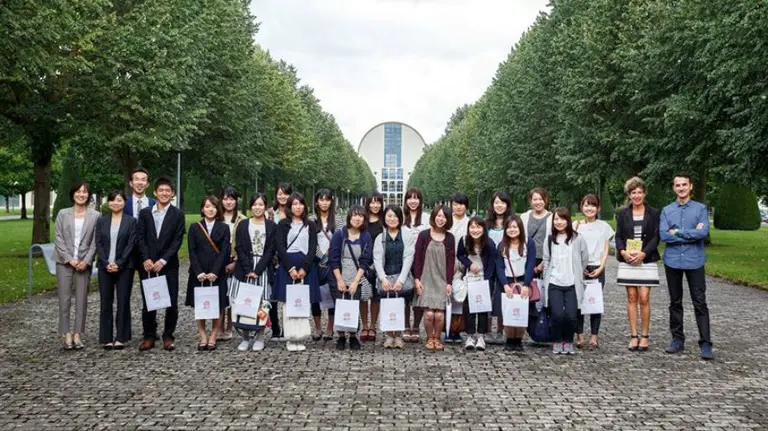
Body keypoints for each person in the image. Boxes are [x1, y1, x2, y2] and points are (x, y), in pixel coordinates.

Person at [660, 174, 713, 360]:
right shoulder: (667, 210)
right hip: (673, 261)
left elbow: (703, 233)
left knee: (700, 302)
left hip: (694, 261)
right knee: (675, 302)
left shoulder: (700, 209)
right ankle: (677, 339)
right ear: (673, 188)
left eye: (684, 185)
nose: (681, 188)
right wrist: (692, 233)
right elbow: (664, 235)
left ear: (690, 186)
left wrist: (678, 232)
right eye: (677, 185)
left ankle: (705, 343)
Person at [136, 176, 186, 352]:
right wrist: (146, 258)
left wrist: (163, 260)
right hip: (148, 264)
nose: (164, 193)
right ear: (155, 193)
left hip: (169, 264)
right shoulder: (145, 213)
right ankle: (149, 335)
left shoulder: (178, 214)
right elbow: (140, 237)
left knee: (171, 302)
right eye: (161, 190)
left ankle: (168, 335)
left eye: (168, 191)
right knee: (149, 301)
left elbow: (177, 240)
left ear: (172, 194)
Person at [615, 177, 660, 352]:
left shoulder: (654, 213)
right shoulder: (623, 213)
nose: (637, 195)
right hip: (628, 260)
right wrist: (622, 252)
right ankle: (634, 336)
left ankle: (645, 336)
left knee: (644, 298)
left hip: (646, 260)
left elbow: (657, 236)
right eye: (633, 192)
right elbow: (618, 236)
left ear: (644, 193)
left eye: (640, 192)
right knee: (632, 297)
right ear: (629, 195)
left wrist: (644, 253)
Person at [54, 181, 100, 350]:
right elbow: (58, 238)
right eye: (78, 191)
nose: (81, 194)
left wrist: (86, 261)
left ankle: (78, 334)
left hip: (83, 263)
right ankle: (66, 334)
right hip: (64, 262)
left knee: (81, 300)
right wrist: (69, 259)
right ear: (73, 194)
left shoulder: (95, 215)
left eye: (85, 192)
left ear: (89, 195)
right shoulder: (63, 213)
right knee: (64, 300)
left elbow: (95, 241)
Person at [274, 192, 319, 352]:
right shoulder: (283, 224)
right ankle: (291, 337)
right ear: (289, 206)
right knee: (289, 304)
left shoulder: (311, 225)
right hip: (288, 267)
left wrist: (304, 268)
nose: (298, 207)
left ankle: (301, 336)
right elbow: (279, 246)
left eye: (300, 204)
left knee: (302, 303)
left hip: (306, 267)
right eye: (294, 204)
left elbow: (313, 247)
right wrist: (291, 268)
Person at [185, 196, 231, 351]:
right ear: (202, 209)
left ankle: (213, 335)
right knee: (201, 305)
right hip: (199, 272)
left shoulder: (223, 228)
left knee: (218, 306)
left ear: (217, 209)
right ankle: (202, 335)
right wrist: (198, 272)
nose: (210, 209)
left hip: (216, 272)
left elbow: (225, 251)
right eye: (207, 206)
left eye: (213, 207)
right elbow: (191, 251)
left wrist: (215, 272)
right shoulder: (194, 227)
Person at [542, 208, 589, 355]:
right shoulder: (549, 238)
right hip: (555, 282)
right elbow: (546, 260)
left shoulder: (578, 238)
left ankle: (568, 341)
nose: (559, 222)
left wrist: (579, 274)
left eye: (562, 219)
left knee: (571, 315)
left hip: (572, 284)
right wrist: (546, 278)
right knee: (556, 314)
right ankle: (556, 341)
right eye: (556, 219)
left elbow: (584, 258)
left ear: (568, 220)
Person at [233, 193, 277, 351]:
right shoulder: (243, 224)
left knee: (262, 304)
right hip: (245, 268)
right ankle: (245, 337)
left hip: (263, 269)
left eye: (261, 204)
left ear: (265, 206)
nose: (257, 207)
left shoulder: (272, 226)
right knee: (246, 303)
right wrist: (248, 269)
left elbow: (271, 250)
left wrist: (258, 270)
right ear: (251, 206)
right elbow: (239, 247)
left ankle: (260, 336)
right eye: (255, 204)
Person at [95, 190, 137, 350]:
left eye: (119, 200)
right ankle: (106, 337)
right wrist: (106, 262)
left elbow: (131, 244)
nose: (116, 203)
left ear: (124, 203)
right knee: (106, 302)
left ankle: (121, 337)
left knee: (123, 301)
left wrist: (119, 262)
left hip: (125, 267)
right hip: (105, 267)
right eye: (112, 200)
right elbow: (98, 242)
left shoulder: (131, 221)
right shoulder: (102, 221)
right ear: (109, 203)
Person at [572, 194, 615, 350]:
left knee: (595, 303)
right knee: (579, 303)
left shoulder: (604, 227)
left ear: (598, 208)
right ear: (581, 207)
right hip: (579, 267)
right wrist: (579, 267)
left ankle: (594, 338)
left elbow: (606, 250)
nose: (589, 208)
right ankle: (580, 336)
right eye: (586, 205)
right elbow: (572, 248)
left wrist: (601, 267)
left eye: (592, 205)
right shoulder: (576, 226)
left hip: (597, 267)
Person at [328, 205, 373, 350]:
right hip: (339, 276)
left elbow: (365, 260)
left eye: (360, 216)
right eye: (354, 215)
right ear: (349, 217)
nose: (357, 218)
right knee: (340, 306)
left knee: (354, 306)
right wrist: (339, 280)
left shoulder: (366, 236)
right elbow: (333, 258)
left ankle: (353, 336)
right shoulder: (339, 234)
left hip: (356, 277)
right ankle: (341, 336)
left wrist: (355, 281)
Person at [412, 205, 455, 351]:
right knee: (429, 314)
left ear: (448, 219)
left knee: (440, 315)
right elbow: (417, 258)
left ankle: (437, 338)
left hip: (442, 281)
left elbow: (450, 263)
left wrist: (449, 283)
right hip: (426, 279)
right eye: (438, 215)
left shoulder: (450, 238)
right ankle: (429, 338)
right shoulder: (423, 235)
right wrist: (417, 279)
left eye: (444, 216)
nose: (440, 219)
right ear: (433, 216)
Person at [373, 205, 415, 349]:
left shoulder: (407, 235)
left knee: (401, 306)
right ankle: (389, 335)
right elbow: (377, 260)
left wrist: (401, 280)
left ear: (400, 218)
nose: (392, 219)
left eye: (395, 216)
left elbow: (409, 257)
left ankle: (398, 335)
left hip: (401, 276)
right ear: (384, 218)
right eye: (389, 216)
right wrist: (383, 278)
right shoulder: (381, 237)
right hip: (386, 277)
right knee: (387, 306)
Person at [456, 216, 500, 352]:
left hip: (484, 279)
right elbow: (460, 255)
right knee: (468, 307)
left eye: (478, 227)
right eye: (472, 227)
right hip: (470, 278)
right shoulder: (464, 241)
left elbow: (492, 264)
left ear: (484, 229)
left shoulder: (490, 244)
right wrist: (469, 264)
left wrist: (486, 282)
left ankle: (481, 336)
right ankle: (470, 336)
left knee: (482, 307)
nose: (475, 230)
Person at [497, 215, 536, 352]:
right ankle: (509, 339)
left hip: (523, 281)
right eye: (509, 227)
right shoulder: (502, 245)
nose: (512, 230)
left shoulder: (528, 243)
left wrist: (526, 284)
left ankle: (518, 340)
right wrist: (505, 285)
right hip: (507, 282)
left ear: (520, 228)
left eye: (515, 227)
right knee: (508, 312)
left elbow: (531, 264)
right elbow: (499, 267)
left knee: (521, 311)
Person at [311, 189, 343, 341]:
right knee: (315, 295)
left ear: (331, 201)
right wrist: (321, 256)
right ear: (316, 201)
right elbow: (310, 242)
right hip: (315, 262)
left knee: (332, 293)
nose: (324, 203)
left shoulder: (337, 220)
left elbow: (340, 240)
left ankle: (330, 327)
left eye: (327, 200)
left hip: (333, 262)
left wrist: (330, 256)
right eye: (321, 199)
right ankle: (317, 327)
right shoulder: (311, 220)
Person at [218, 186, 246, 342]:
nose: (229, 202)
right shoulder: (217, 217)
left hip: (235, 260)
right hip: (218, 261)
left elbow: (243, 244)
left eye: (232, 199)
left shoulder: (242, 219)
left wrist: (235, 262)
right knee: (220, 295)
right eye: (226, 198)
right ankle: (218, 327)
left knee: (232, 295)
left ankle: (230, 327)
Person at [402, 187, 430, 343]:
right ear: (406, 200)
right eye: (410, 198)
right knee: (405, 293)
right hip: (404, 260)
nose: (413, 201)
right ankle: (405, 325)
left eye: (416, 198)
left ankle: (416, 326)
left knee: (418, 293)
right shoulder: (401, 217)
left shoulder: (426, 218)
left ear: (420, 200)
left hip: (422, 260)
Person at [485, 192, 512, 344]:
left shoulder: (511, 223)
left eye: (502, 202)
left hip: (506, 264)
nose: (499, 205)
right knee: (488, 294)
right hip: (489, 264)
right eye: (496, 202)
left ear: (507, 205)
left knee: (502, 294)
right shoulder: (487, 223)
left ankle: (501, 330)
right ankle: (487, 330)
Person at [266, 182, 292, 340]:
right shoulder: (270, 213)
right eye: (280, 193)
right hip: (272, 258)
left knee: (288, 296)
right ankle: (275, 328)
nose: (282, 196)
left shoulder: (294, 213)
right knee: (272, 296)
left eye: (286, 193)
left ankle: (289, 328)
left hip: (288, 258)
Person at [360, 192, 384, 342]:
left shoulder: (384, 221)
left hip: (379, 264)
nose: (375, 205)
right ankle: (364, 325)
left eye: (378, 202)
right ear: (368, 203)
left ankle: (373, 326)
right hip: (362, 263)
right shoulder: (362, 220)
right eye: (372, 202)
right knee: (362, 296)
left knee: (376, 297)